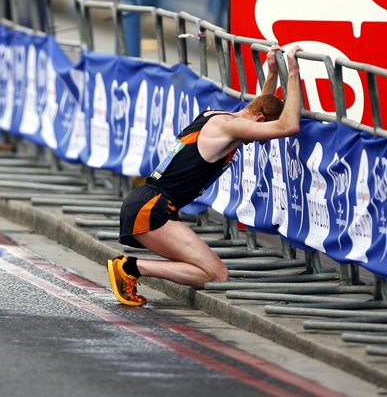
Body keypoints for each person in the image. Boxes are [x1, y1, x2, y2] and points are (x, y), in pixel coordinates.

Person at [108, 44, 303, 305]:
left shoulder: (221, 118)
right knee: (216, 275)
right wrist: (292, 71)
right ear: (259, 122)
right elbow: (288, 126)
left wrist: (271, 75)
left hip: (147, 202)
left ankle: (131, 268)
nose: (257, 141)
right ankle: (129, 268)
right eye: (260, 136)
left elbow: (260, 109)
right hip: (151, 208)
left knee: (205, 269)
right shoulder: (229, 128)